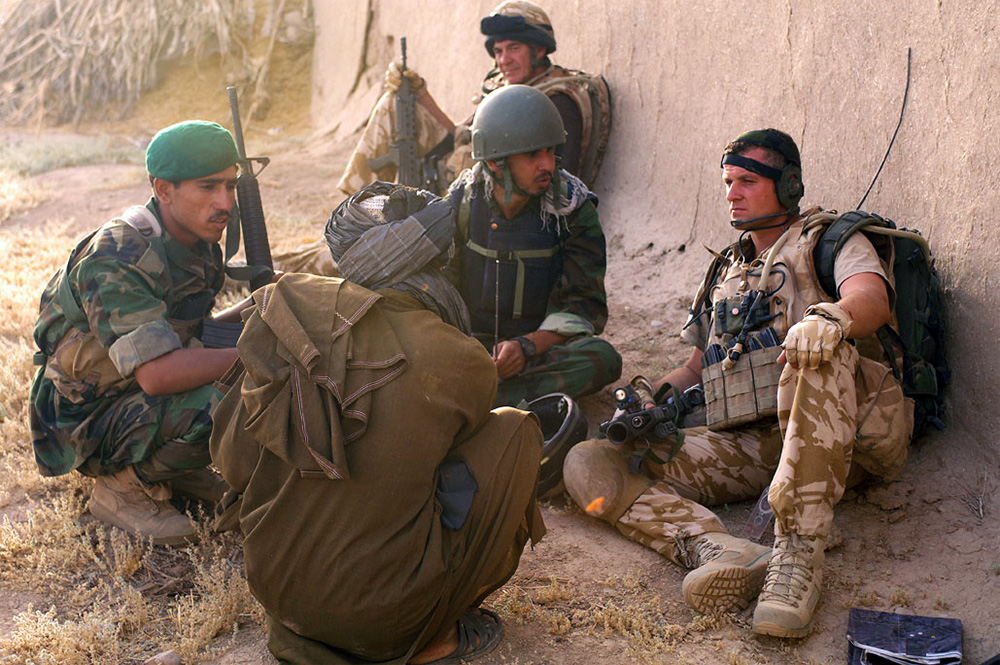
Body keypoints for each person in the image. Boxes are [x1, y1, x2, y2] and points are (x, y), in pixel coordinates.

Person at [562, 128, 913, 637]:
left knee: (813, 347)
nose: (732, 193)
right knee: (591, 462)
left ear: (788, 185)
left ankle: (797, 554)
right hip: (750, 443)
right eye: (728, 182)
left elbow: (871, 298)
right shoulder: (727, 269)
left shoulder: (828, 240)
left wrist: (829, 319)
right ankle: (719, 549)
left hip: (838, 438)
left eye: (747, 181)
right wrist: (650, 400)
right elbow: (695, 368)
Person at [209, 184, 545, 664]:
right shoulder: (463, 358)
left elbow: (233, 462)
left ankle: (322, 611)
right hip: (385, 620)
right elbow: (453, 464)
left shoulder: (289, 314)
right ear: (437, 266)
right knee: (514, 430)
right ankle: (432, 639)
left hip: (276, 591)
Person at [28, 120, 256, 545]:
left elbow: (188, 334)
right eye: (208, 187)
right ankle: (124, 487)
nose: (225, 202)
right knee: (231, 395)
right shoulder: (119, 255)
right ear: (163, 189)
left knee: (244, 365)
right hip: (83, 416)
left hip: (125, 390)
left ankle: (175, 467)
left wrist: (255, 309)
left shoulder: (195, 240)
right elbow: (158, 373)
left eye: (230, 185)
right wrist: (256, 351)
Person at [445, 84, 621, 407]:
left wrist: (525, 347)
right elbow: (439, 291)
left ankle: (480, 398)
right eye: (532, 155)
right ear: (495, 162)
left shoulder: (572, 210)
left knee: (602, 358)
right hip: (467, 347)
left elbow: (585, 307)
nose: (548, 165)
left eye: (551, 152)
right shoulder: (463, 204)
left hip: (536, 349)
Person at [336, 0, 610, 197]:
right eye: (498, 51)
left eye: (514, 48)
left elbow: (554, 185)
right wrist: (421, 95)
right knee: (395, 103)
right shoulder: (509, 91)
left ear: (539, 50)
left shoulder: (554, 102)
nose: (503, 60)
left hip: (477, 210)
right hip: (452, 189)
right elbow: (462, 138)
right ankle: (357, 213)